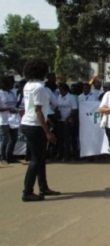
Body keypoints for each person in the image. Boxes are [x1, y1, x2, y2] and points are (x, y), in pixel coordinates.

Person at [20, 59, 61, 201]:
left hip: (29, 123)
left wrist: (46, 120)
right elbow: (37, 110)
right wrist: (47, 132)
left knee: (40, 158)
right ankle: (27, 192)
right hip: (34, 125)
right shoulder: (40, 88)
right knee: (36, 160)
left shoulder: (28, 85)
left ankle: (43, 187)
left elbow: (34, 108)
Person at [56, 83, 78, 161]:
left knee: (67, 139)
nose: (60, 91)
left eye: (61, 90)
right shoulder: (59, 96)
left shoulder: (71, 97)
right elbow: (58, 107)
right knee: (60, 139)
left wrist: (68, 118)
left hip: (67, 121)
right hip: (60, 120)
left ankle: (67, 155)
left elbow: (74, 109)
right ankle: (60, 154)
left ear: (65, 90)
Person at [0, 76, 20, 164]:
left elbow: (16, 104)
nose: (9, 85)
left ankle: (10, 156)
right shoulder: (0, 93)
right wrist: (8, 109)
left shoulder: (12, 93)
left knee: (14, 138)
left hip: (13, 119)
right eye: (6, 83)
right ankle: (2, 157)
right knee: (5, 139)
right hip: (4, 120)